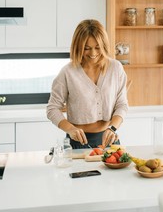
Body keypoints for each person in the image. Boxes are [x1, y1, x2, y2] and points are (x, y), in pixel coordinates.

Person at [47, 19, 129, 149]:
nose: (93, 53)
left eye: (98, 48)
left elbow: (122, 105)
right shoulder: (68, 72)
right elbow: (52, 109)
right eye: (87, 48)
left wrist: (112, 128)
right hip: (78, 143)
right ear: (78, 47)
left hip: (109, 140)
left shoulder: (115, 68)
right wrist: (70, 129)